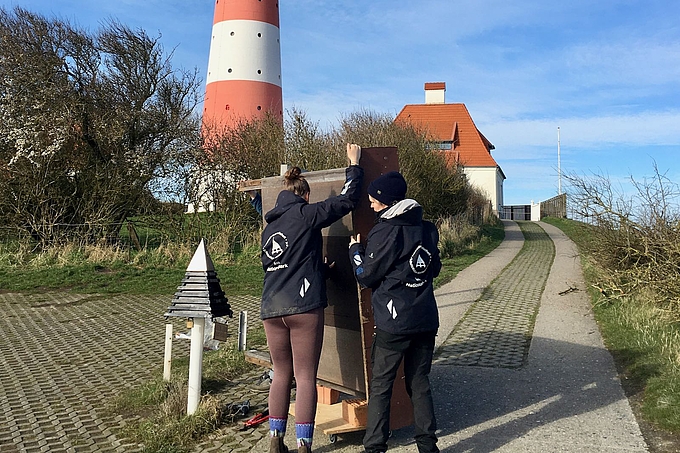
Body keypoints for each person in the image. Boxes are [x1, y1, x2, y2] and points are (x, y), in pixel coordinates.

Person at [261, 144, 364, 453]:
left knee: (281, 374)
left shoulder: (269, 228)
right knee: (306, 378)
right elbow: (346, 200)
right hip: (303, 307)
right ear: (305, 195)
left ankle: (275, 442)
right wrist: (354, 164)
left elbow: (285, 262)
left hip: (271, 307)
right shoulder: (306, 214)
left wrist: (320, 269)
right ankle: (304, 445)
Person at [348, 171, 441, 453]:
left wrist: (355, 251)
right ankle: (428, 446)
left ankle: (375, 447)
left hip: (393, 323)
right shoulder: (427, 228)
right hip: (425, 318)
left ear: (386, 201)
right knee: (419, 382)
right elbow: (433, 268)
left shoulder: (386, 231)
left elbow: (366, 276)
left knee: (381, 385)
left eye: (374, 200)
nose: (371, 204)